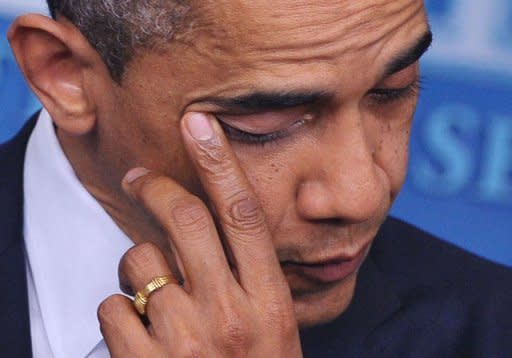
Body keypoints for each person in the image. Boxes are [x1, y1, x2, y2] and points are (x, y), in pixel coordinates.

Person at [1, 0, 511, 356]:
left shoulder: (493, 330)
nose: (364, 193)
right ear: (63, 74)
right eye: (263, 124)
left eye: (394, 89)